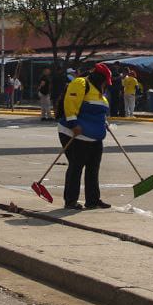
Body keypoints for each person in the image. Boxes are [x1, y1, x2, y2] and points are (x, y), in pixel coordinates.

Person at [59, 62, 112, 210]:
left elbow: (97, 111)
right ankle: (70, 201)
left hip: (94, 135)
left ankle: (93, 200)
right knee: (76, 166)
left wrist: (104, 122)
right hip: (74, 133)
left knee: (93, 168)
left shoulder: (99, 92)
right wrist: (73, 123)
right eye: (104, 82)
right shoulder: (81, 83)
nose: (105, 85)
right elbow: (70, 103)